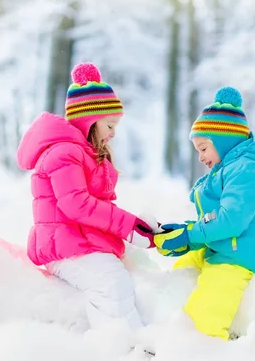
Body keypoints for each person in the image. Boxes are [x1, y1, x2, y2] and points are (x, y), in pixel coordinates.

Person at [16, 62, 155, 331]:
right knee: (110, 281)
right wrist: (128, 227)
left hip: (78, 241)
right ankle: (123, 348)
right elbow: (76, 204)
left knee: (122, 277)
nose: (114, 134)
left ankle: (130, 343)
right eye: (110, 125)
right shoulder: (63, 153)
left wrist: (139, 226)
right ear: (89, 121)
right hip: (64, 247)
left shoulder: (83, 153)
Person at [154, 86, 255, 340]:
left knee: (207, 309)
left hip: (243, 253)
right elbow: (217, 218)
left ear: (224, 142)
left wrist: (191, 235)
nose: (201, 157)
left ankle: (201, 345)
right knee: (181, 272)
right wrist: (185, 232)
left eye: (204, 148)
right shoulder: (228, 169)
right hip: (224, 244)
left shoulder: (248, 171)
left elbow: (231, 221)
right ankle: (161, 325)